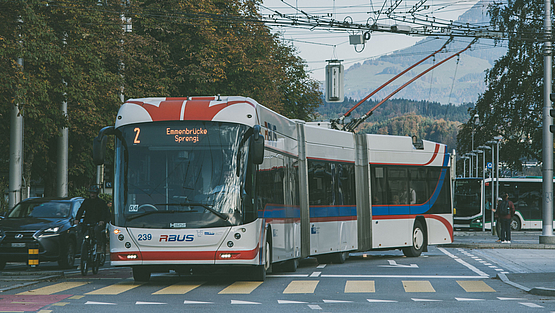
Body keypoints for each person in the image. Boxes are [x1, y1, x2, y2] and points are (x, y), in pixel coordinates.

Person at [75, 186, 110, 251]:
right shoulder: (86, 201)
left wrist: (102, 220)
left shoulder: (101, 203)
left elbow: (104, 212)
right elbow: (81, 210)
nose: (92, 195)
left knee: (97, 230)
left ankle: (99, 245)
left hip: (97, 222)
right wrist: (77, 219)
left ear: (97, 194)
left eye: (94, 193)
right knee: (82, 231)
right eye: (91, 193)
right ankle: (84, 246)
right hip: (88, 221)